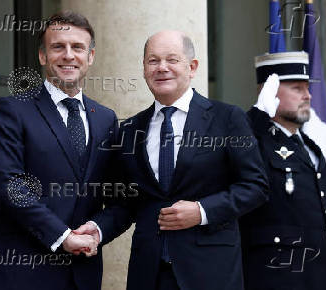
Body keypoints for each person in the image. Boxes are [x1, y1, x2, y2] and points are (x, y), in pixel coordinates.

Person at [77, 30, 269, 290]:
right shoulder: (131, 130)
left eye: (172, 60)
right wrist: (97, 229)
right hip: (149, 273)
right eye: (153, 61)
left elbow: (255, 186)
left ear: (192, 67)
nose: (162, 68)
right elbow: (126, 204)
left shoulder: (227, 119)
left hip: (210, 272)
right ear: (144, 69)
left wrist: (201, 211)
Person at [0, 11, 119, 290]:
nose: (68, 55)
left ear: (90, 57)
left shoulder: (105, 119)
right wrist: (62, 236)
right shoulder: (13, 110)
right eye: (58, 47)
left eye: (77, 47)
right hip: (19, 271)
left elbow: (119, 193)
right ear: (42, 56)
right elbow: (8, 185)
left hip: (81, 275)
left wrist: (98, 230)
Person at [240, 51, 326, 290]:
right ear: (269, 91)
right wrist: (257, 116)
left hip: (317, 278)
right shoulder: (255, 139)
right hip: (274, 279)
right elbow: (230, 153)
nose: (308, 95)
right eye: (297, 88)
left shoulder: (311, 147)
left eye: (307, 88)